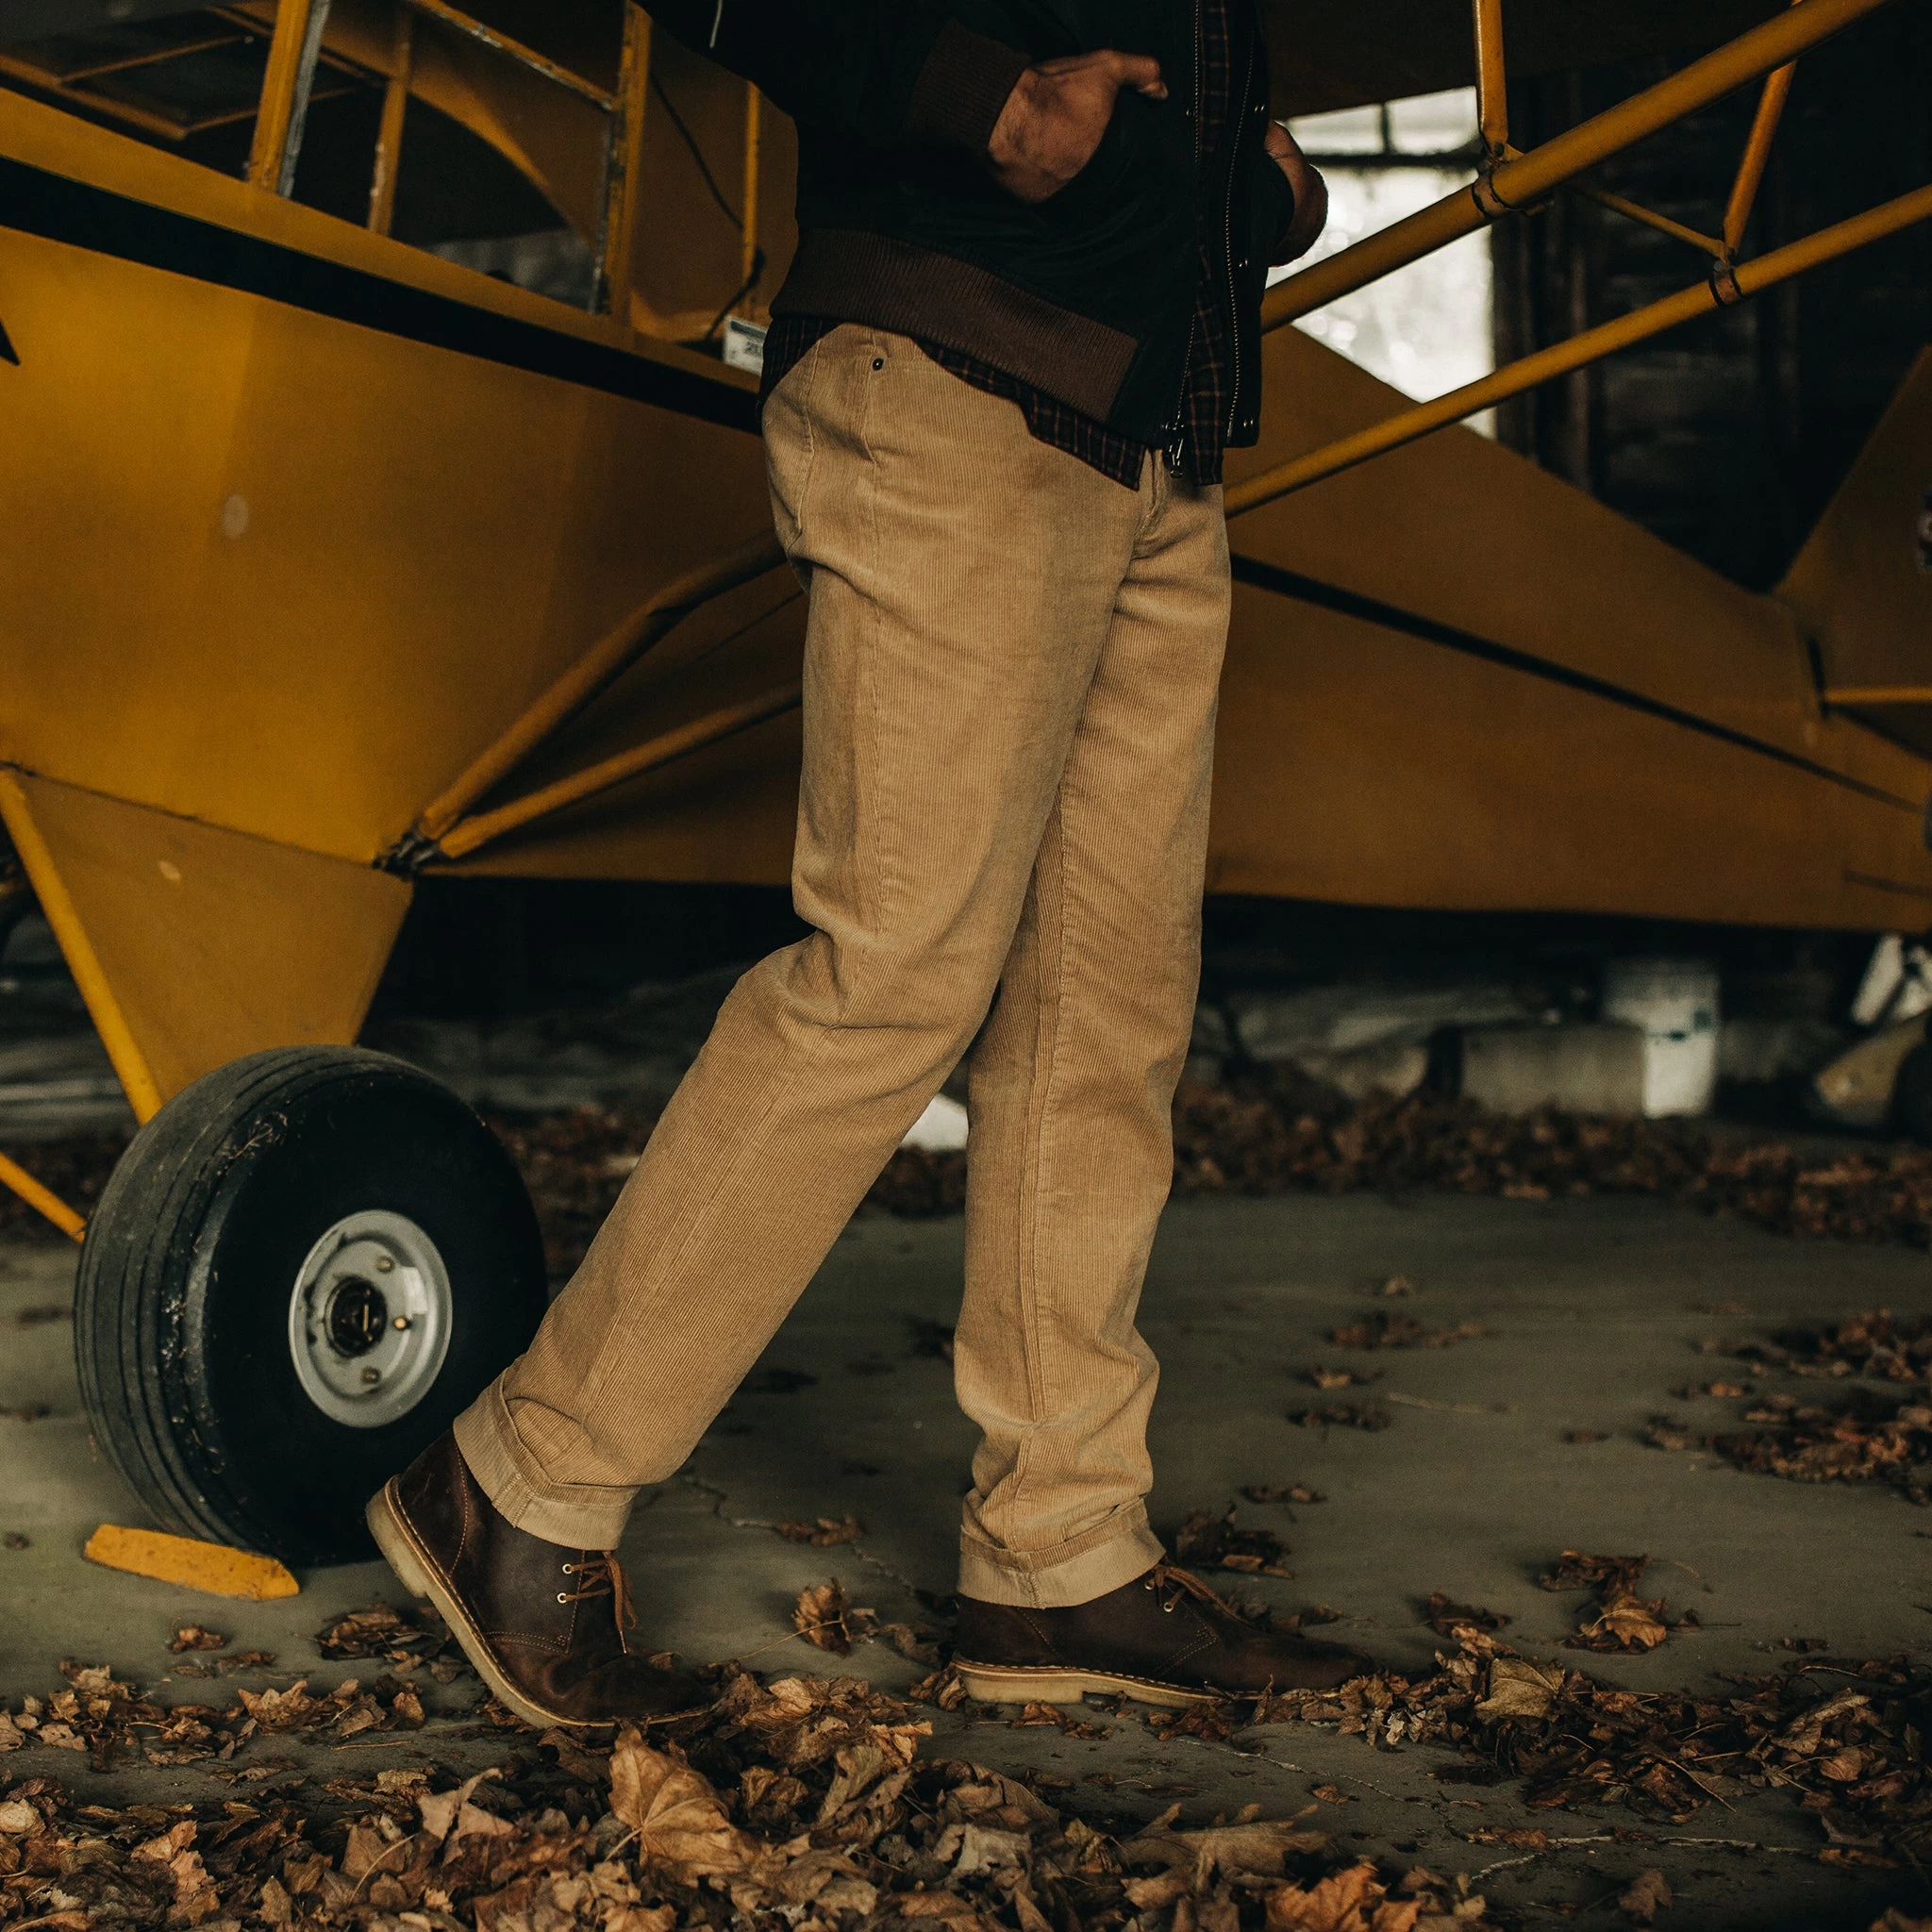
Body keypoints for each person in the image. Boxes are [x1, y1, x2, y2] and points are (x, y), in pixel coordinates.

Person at [368, 0, 1366, 1728]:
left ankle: (1060, 1555)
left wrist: (1251, 176)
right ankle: (521, 1477)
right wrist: (985, 99)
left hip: (1152, 430)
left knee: (1105, 1009)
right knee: (890, 977)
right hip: (960, 384)